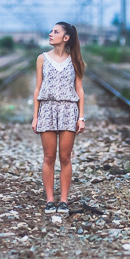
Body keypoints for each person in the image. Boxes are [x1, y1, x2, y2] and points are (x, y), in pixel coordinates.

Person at [31, 22, 86, 214]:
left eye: (56, 32)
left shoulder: (75, 60)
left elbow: (79, 89)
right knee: (48, 156)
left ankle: (64, 200)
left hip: (68, 110)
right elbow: (38, 88)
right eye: (51, 31)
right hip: (47, 108)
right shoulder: (42, 59)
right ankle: (49, 200)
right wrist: (35, 116)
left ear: (66, 37)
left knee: (65, 157)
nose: (50, 34)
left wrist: (81, 117)